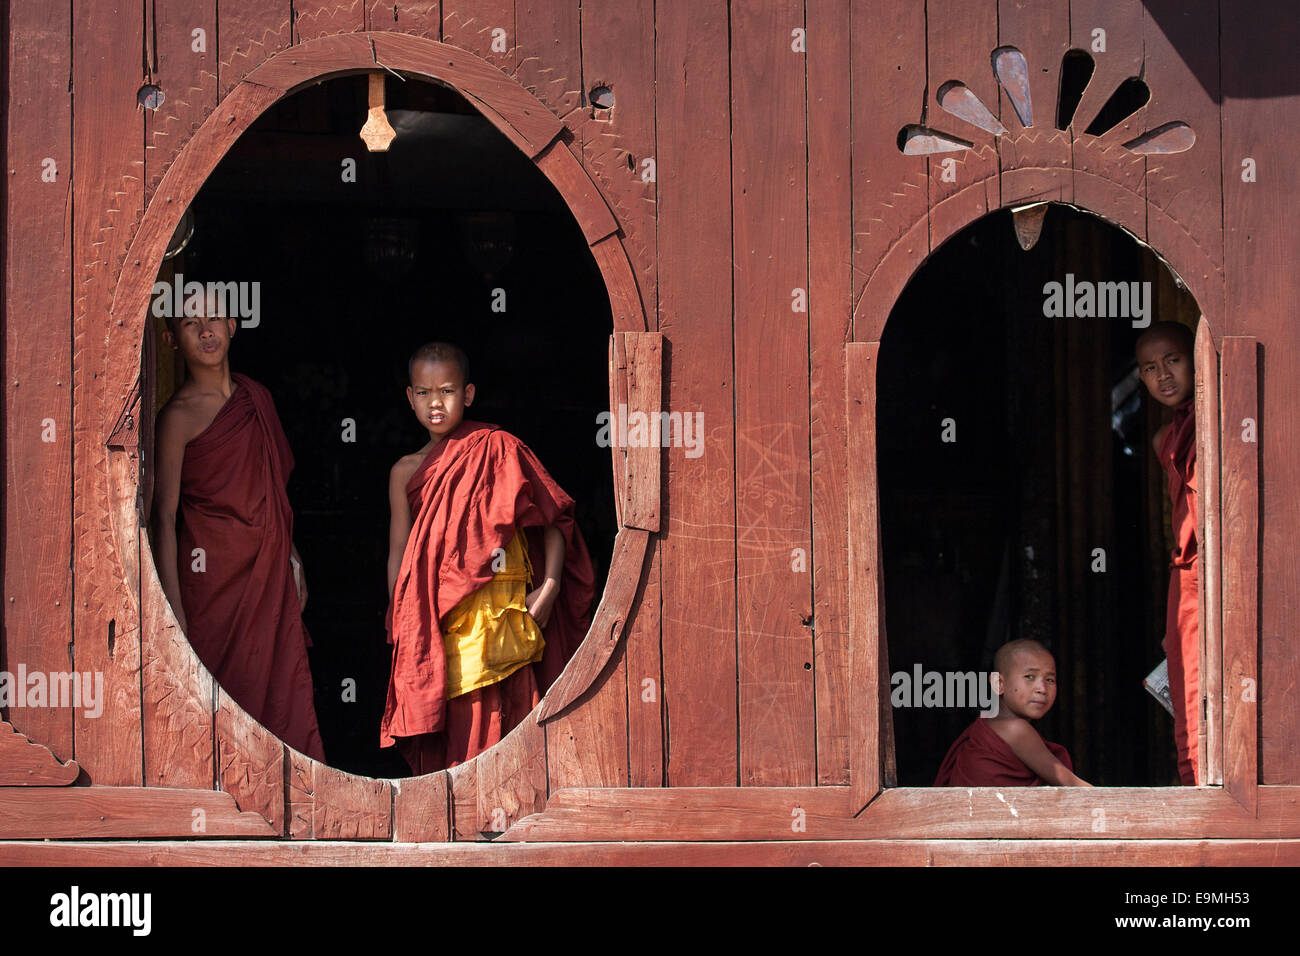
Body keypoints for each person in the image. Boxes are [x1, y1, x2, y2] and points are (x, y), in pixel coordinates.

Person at [381, 342, 595, 773]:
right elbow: (399, 553)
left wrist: (550, 586)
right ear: (409, 397)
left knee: (513, 723)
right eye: (423, 393)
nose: (435, 402)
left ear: (469, 393)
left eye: (446, 390)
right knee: (455, 725)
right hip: (443, 624)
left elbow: (554, 519)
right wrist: (405, 619)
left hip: (506, 615)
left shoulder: (499, 448)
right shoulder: (405, 471)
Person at [150, 291, 324, 762]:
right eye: (190, 323)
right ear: (171, 339)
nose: (205, 329)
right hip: (210, 583)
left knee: (277, 691)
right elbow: (163, 515)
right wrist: (174, 608)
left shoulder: (256, 398)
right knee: (217, 700)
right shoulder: (178, 418)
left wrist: (292, 554)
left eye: (214, 318)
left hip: (266, 570)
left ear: (233, 325)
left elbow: (274, 489)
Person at [1136, 320, 1199, 786]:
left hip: (1214, 569)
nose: (1163, 376)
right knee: (1186, 688)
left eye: (1173, 361)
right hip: (1188, 577)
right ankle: (1194, 784)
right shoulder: (1166, 440)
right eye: (1150, 368)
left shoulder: (1217, 419)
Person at [934, 639, 1090, 786]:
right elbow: (1071, 784)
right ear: (999, 684)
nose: (1042, 689)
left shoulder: (990, 726)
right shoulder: (1015, 729)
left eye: (1049, 680)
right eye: (1029, 677)